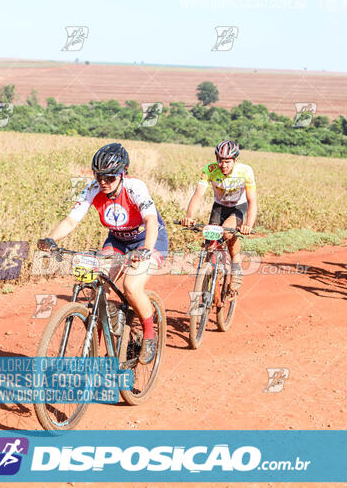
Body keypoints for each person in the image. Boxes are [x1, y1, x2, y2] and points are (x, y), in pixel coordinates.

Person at [37, 143, 168, 365]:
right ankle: (95, 350)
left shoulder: (135, 187)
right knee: (99, 286)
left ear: (122, 173)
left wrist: (145, 249)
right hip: (117, 240)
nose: (104, 182)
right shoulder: (93, 189)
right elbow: (71, 220)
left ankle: (149, 334)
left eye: (110, 177)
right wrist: (51, 239)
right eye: (99, 177)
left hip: (148, 240)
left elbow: (151, 220)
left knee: (131, 287)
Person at [181, 140, 257, 297]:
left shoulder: (245, 171)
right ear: (216, 159)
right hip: (219, 207)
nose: (224, 165)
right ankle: (213, 275)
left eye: (228, 161)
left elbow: (252, 201)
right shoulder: (209, 170)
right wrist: (189, 217)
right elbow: (198, 195)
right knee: (210, 243)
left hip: (238, 207)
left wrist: (248, 225)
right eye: (220, 160)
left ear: (235, 160)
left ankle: (236, 266)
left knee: (227, 233)